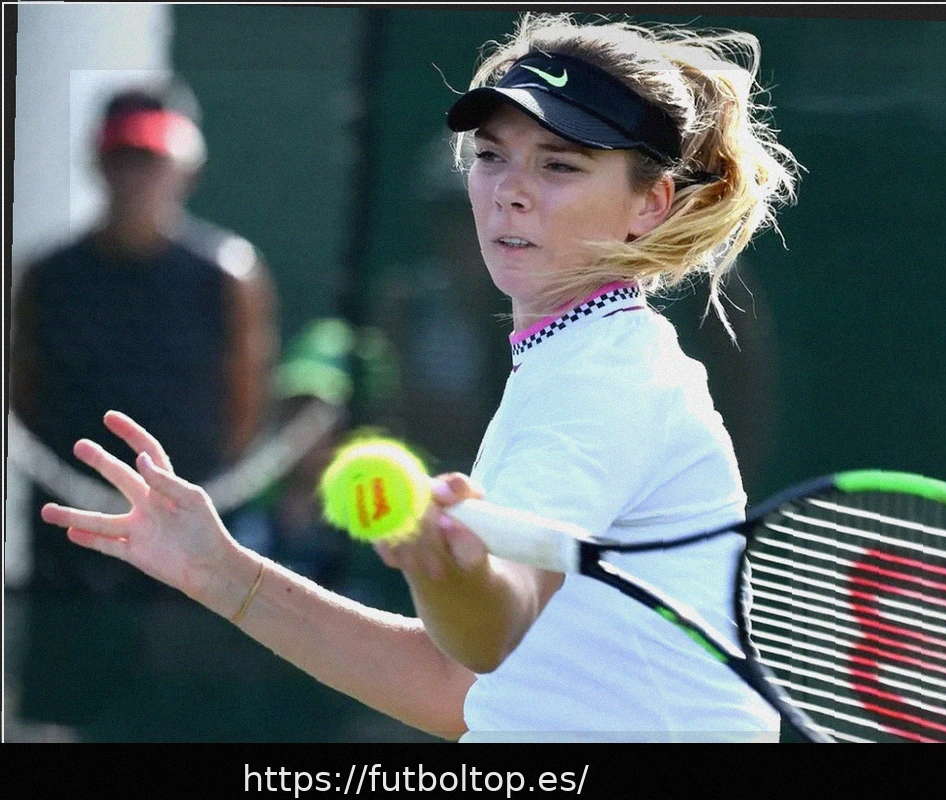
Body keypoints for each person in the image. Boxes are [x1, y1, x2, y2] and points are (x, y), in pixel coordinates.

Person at [38, 14, 800, 741]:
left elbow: (492, 628)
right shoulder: (574, 357)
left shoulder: (604, 379)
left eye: (560, 164)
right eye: (493, 156)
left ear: (650, 204)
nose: (510, 189)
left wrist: (447, 571)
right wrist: (222, 573)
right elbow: (454, 690)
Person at [10, 87, 279, 731]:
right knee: (71, 710)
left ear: (186, 169)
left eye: (152, 160)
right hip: (70, 546)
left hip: (187, 543)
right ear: (99, 164)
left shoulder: (229, 275)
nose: (136, 177)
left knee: (175, 713)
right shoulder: (47, 275)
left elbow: (244, 406)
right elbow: (25, 390)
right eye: (123, 158)